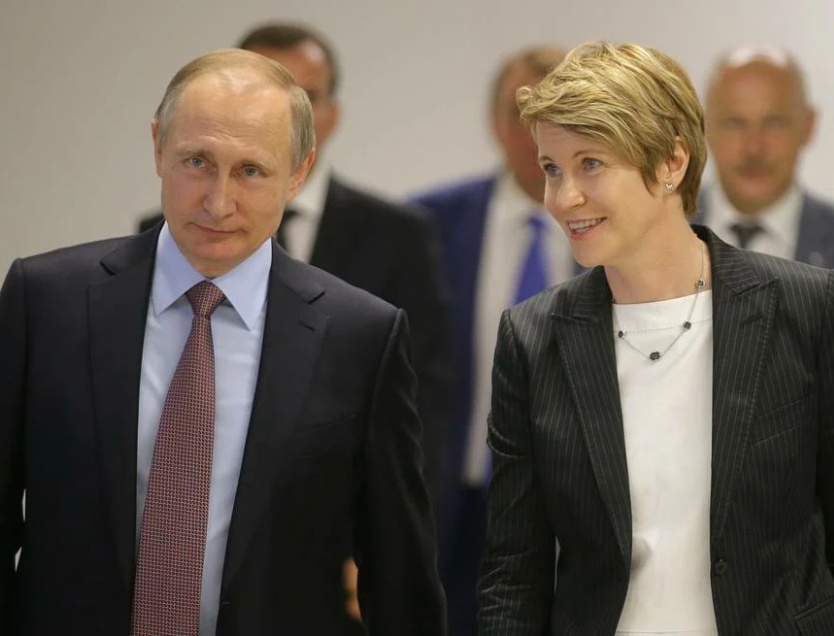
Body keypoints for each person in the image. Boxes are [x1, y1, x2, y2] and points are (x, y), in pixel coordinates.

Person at [0, 48, 445, 635]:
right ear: (158, 146)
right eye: (197, 161)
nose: (218, 202)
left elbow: (399, 574)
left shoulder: (362, 336)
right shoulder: (45, 302)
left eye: (251, 171)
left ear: (299, 172)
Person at [479, 41, 834, 635]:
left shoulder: (808, 307)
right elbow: (514, 572)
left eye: (591, 163)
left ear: (671, 163)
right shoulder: (532, 339)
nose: (564, 196)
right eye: (552, 168)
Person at [139, 23, 452, 505]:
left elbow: (422, 398)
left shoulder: (399, 234)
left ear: (331, 114)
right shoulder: (167, 230)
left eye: (304, 95)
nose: (220, 205)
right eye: (256, 85)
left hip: (326, 518)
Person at [410, 45, 573, 636]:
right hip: (457, 502)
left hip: (576, 508)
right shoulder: (427, 224)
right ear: (494, 123)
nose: (537, 133)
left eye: (559, 113)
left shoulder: (624, 231)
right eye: (522, 113)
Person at [696, 46, 834, 298]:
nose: (754, 148)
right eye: (734, 123)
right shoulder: (654, 237)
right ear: (703, 126)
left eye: (774, 123)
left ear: (808, 125)